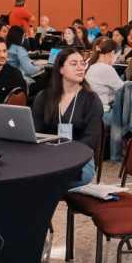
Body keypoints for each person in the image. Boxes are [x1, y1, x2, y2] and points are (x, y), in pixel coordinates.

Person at [31, 49, 103, 186]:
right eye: (74, 64)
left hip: (80, 160)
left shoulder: (91, 100)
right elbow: (36, 131)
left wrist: (65, 156)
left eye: (82, 64)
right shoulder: (44, 97)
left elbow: (90, 139)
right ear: (61, 69)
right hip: (48, 156)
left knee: (45, 180)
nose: (80, 68)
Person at [85, 37, 125, 160]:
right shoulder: (106, 68)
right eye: (116, 57)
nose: (115, 60)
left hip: (88, 111)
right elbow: (124, 91)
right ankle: (123, 152)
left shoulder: (88, 62)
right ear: (112, 53)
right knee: (130, 117)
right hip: (102, 113)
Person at [5, 25, 44, 89]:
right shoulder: (20, 50)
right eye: (23, 37)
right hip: (23, 84)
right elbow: (30, 70)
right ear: (20, 37)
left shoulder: (4, 48)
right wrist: (40, 67)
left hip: (8, 84)